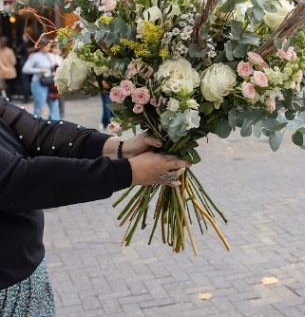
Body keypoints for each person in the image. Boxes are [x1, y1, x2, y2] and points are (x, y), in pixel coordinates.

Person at [0, 96, 190, 315]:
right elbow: (14, 179)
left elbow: (37, 132)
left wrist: (120, 148)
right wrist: (128, 172)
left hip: (28, 275)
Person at [22, 37, 60, 119]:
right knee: (39, 107)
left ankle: (56, 125)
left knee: (54, 105)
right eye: (47, 46)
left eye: (50, 46)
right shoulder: (35, 56)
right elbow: (25, 69)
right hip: (38, 83)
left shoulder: (50, 56)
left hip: (50, 82)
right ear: (42, 46)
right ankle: (35, 124)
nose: (49, 48)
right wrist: (39, 70)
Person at [15, 32, 35, 103]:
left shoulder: (25, 45)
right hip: (31, 64)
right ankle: (29, 95)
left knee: (25, 82)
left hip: (25, 64)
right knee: (29, 81)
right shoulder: (31, 44)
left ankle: (27, 97)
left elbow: (18, 52)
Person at [0, 36, 17, 101]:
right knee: (9, 87)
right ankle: (9, 100)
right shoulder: (9, 51)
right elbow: (14, 61)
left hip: (2, 72)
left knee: (3, 88)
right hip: (10, 72)